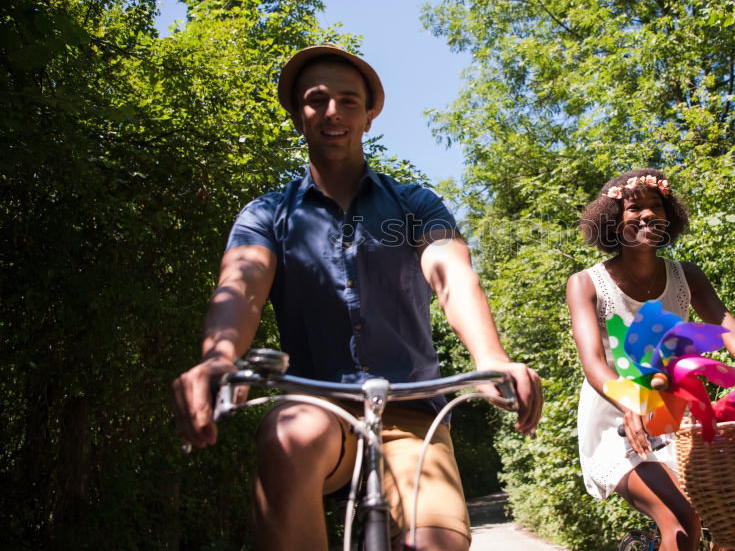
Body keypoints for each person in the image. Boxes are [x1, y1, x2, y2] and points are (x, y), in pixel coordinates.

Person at [172, 43, 543, 551]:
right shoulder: (266, 215)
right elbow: (241, 288)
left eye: (349, 101)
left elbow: (451, 274)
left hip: (412, 411)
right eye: (316, 100)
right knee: (288, 436)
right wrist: (217, 359)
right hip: (316, 407)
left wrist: (491, 360)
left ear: (369, 116)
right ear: (297, 114)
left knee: (437, 543)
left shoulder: (414, 204)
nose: (332, 113)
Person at [565, 169, 735, 551]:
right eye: (635, 208)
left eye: (656, 206)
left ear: (670, 218)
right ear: (613, 221)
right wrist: (633, 404)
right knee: (681, 521)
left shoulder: (686, 276)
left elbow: (731, 333)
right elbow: (594, 364)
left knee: (716, 517)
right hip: (616, 416)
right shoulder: (586, 283)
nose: (648, 215)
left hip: (672, 415)